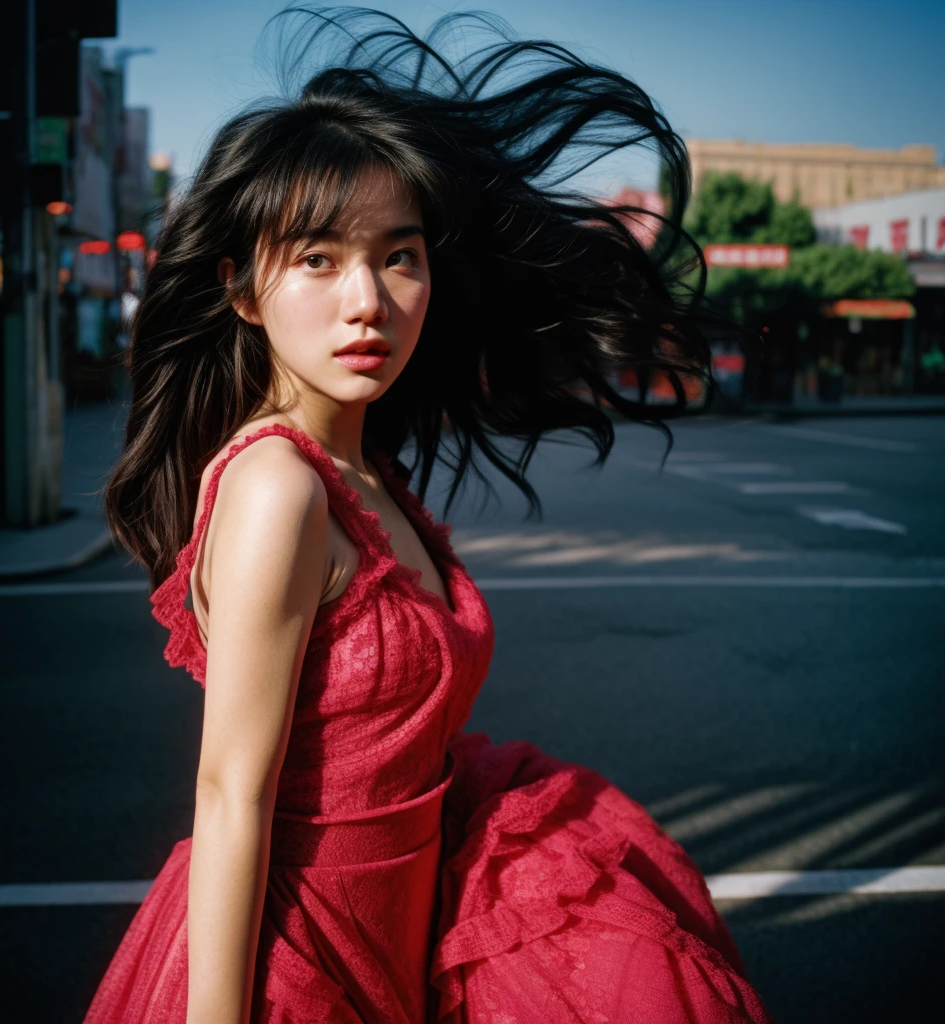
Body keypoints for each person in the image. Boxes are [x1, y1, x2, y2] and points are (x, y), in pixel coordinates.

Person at [86, 8, 770, 1023]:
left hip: (405, 938)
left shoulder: (365, 473)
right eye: (316, 258)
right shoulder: (278, 486)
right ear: (241, 291)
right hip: (296, 961)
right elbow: (232, 794)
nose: (367, 298)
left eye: (398, 256)